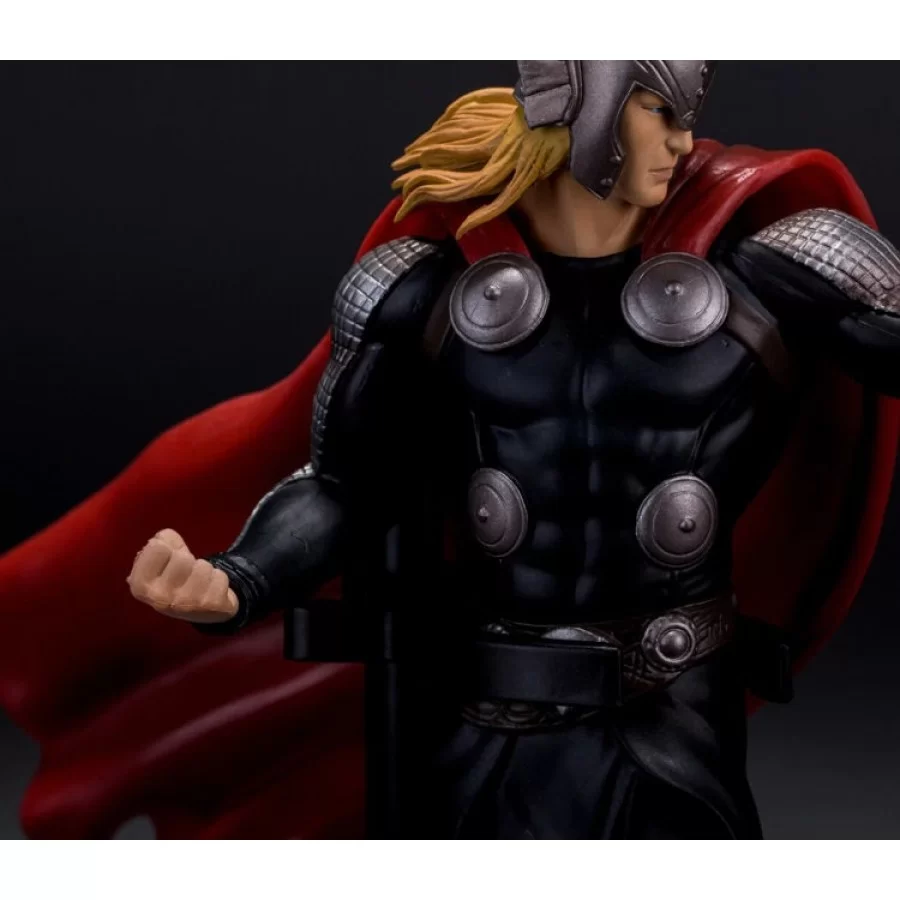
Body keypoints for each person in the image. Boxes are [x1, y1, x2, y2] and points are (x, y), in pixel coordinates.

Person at [120, 60, 900, 839]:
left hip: (676, 721)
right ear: (584, 113)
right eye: (659, 113)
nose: (684, 143)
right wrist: (238, 577)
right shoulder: (419, 292)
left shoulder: (768, 273)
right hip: (488, 731)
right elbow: (348, 485)